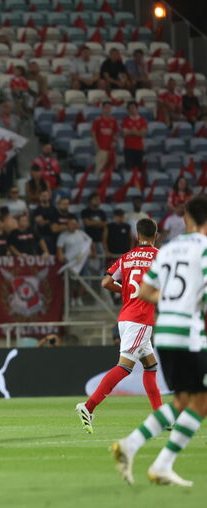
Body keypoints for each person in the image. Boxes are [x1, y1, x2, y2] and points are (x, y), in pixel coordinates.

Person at [111, 197, 207, 487]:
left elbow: (145, 291)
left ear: (187, 218)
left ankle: (133, 448)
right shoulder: (204, 250)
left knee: (183, 400)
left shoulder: (167, 250)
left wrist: (174, 303)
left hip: (165, 331)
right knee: (200, 402)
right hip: (190, 333)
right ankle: (161, 461)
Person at [77, 218, 161, 432]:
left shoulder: (127, 257)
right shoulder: (159, 257)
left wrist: (124, 291)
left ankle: (160, 416)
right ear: (156, 235)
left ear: (136, 235)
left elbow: (105, 282)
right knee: (125, 367)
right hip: (140, 319)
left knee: (150, 366)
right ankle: (88, 406)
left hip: (126, 316)